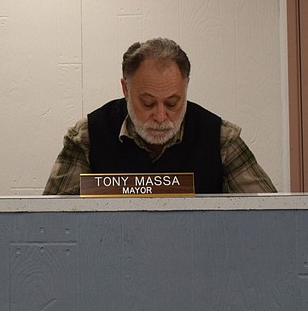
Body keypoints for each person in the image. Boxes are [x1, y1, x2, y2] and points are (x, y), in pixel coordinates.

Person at [44, 38, 276, 195]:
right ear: (126, 90)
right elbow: (51, 224)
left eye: (173, 103)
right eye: (148, 103)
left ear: (186, 87)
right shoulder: (87, 137)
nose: (161, 116)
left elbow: (272, 216)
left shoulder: (221, 139)